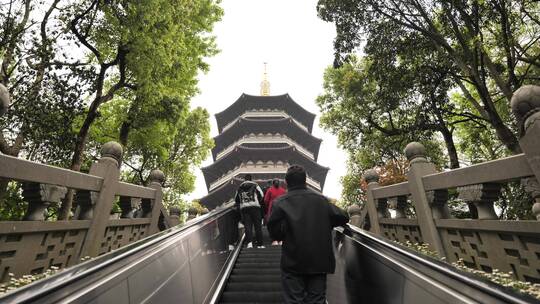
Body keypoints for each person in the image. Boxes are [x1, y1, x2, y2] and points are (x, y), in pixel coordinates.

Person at [267, 165, 349, 304]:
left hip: (293, 261)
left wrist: (286, 229)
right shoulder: (321, 200)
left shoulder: (280, 203)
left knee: (294, 300)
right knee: (317, 300)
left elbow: (275, 233)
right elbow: (343, 216)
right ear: (305, 181)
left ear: (287, 182)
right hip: (319, 261)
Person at [234, 174, 265, 248]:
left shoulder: (240, 187)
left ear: (244, 179)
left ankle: (249, 243)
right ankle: (260, 244)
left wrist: (242, 203)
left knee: (248, 226)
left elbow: (236, 199)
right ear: (251, 179)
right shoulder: (255, 185)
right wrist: (258, 201)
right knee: (258, 226)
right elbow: (261, 194)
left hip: (245, 208)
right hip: (255, 207)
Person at [264, 178, 286, 244]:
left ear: (273, 183)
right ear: (279, 183)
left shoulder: (270, 190)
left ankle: (274, 240)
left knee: (272, 224)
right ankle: (281, 240)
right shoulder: (283, 190)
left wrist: (268, 206)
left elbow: (266, 200)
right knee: (281, 224)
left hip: (272, 209)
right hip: (281, 209)